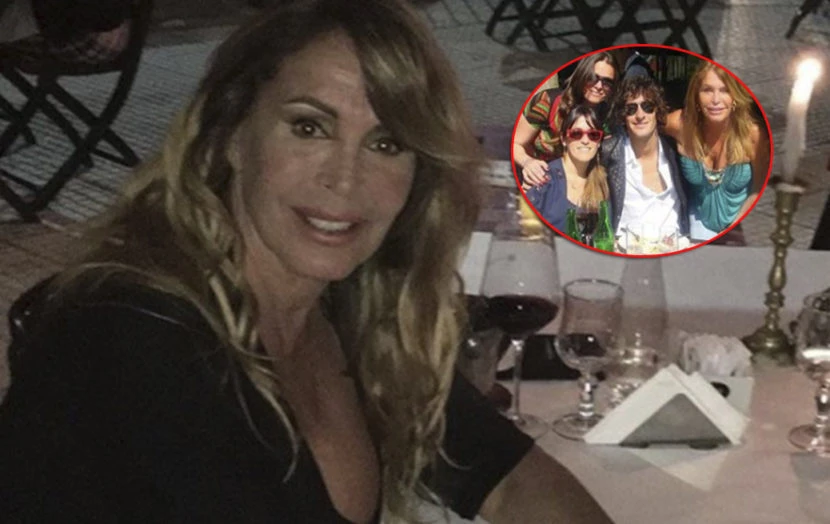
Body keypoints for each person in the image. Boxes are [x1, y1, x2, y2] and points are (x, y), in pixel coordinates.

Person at [0, 1, 613, 523]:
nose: (345, 180)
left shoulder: (350, 310)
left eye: (386, 143)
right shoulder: (135, 341)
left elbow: (509, 478)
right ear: (232, 135)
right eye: (309, 128)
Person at [665, 61, 769, 241]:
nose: (715, 100)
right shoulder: (681, 124)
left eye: (725, 90)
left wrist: (734, 230)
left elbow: (759, 189)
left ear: (735, 96)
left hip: (739, 229)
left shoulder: (752, 135)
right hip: (695, 224)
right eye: (707, 90)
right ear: (696, 96)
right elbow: (643, 122)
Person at [513, 51, 619, 187]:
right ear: (582, 75)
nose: (599, 86)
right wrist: (528, 162)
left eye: (607, 82)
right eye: (593, 77)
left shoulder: (609, 116)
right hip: (540, 180)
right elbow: (516, 143)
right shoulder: (548, 102)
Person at [602, 75, 689, 239]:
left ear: (657, 111)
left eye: (647, 107)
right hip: (627, 246)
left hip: (674, 245)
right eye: (631, 109)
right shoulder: (609, 151)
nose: (640, 115)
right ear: (623, 116)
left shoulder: (675, 151)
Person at [524, 105, 610, 233]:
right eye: (576, 134)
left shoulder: (604, 182)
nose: (585, 140)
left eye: (593, 135)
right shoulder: (544, 180)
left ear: (599, 143)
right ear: (564, 139)